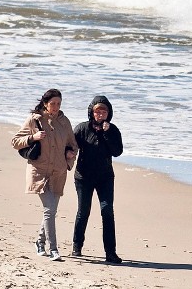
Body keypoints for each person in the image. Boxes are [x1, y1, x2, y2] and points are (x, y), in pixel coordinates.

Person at [12, 89, 78, 262]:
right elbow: (15, 141)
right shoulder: (34, 120)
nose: (56, 107)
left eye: (59, 104)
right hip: (39, 172)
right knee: (49, 210)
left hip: (58, 172)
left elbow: (73, 145)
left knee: (51, 211)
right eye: (53, 104)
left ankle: (39, 242)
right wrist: (33, 137)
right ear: (45, 103)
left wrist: (70, 155)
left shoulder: (65, 122)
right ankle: (53, 249)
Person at [71, 95, 124, 263]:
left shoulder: (113, 130)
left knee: (107, 212)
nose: (100, 114)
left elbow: (117, 151)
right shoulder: (81, 128)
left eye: (104, 111)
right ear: (91, 112)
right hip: (83, 177)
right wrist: (68, 154)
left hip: (105, 177)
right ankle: (77, 246)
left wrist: (107, 133)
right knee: (83, 211)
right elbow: (70, 146)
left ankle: (110, 252)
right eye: (97, 111)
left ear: (109, 113)